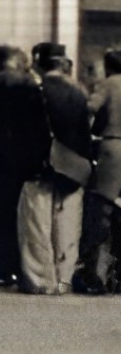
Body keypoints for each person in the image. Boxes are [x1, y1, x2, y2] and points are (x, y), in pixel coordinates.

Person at [17, 45, 92, 294]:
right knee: (68, 223)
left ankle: (41, 280)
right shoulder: (79, 91)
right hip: (75, 165)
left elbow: (27, 131)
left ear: (39, 63)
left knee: (38, 223)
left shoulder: (35, 90)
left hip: (43, 162)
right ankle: (63, 279)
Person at [0, 44, 47, 285]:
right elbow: (39, 125)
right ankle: (12, 266)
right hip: (23, 156)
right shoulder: (28, 85)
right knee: (17, 212)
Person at [74, 48, 121, 293]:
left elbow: (90, 107)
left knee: (101, 211)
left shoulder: (111, 83)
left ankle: (95, 274)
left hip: (113, 148)